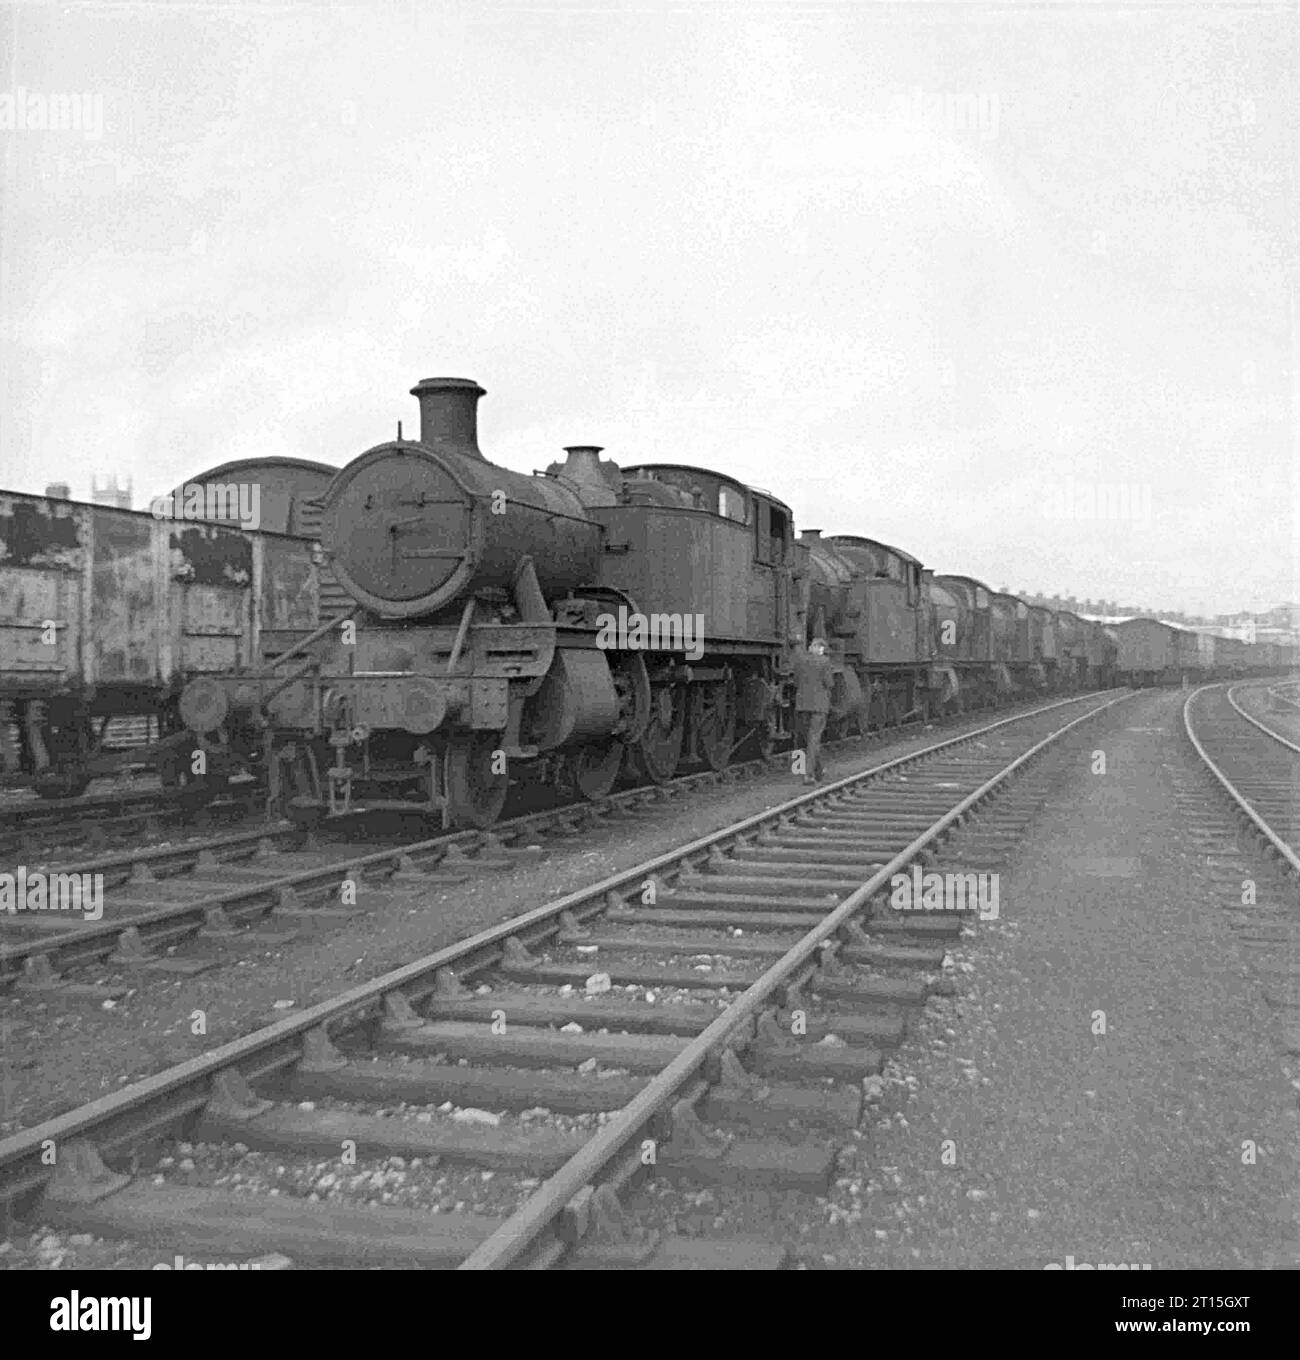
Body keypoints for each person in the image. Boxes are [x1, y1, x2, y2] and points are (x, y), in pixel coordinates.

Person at [793, 637, 833, 784]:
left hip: (802, 704)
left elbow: (796, 681)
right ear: (820, 648)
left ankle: (817, 770)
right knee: (814, 739)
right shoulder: (825, 662)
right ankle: (808, 775)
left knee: (806, 738)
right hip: (819, 706)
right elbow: (829, 683)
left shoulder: (801, 661)